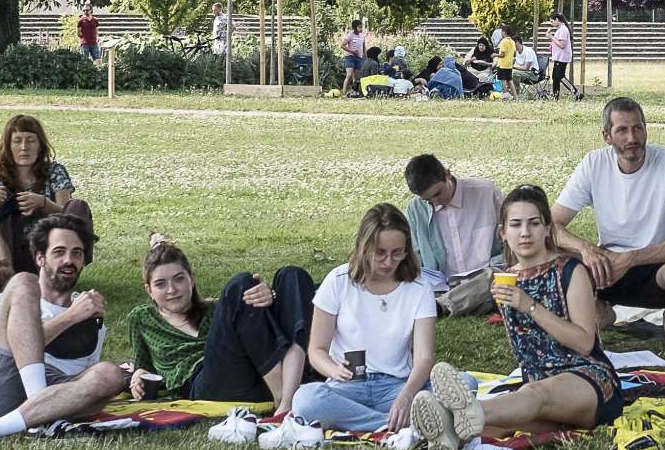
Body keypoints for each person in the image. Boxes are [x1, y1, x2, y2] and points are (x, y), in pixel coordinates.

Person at [410, 185, 627, 450]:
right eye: (516, 224)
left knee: (533, 395)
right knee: (502, 423)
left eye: (534, 223)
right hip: (536, 384)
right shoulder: (505, 279)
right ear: (503, 232)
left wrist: (529, 306)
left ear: (547, 229)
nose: (525, 232)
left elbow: (584, 343)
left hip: (588, 381)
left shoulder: (571, 271)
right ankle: (447, 432)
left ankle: (467, 410)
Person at [0, 213, 125, 449]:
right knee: (23, 281)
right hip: (1, 390)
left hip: (58, 394)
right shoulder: (5, 300)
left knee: (110, 374)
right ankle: (41, 414)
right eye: (59, 252)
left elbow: (85, 375)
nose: (69, 260)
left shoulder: (89, 310)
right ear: (40, 258)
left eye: (77, 253)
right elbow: (4, 346)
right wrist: (71, 317)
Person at [553, 97, 665, 355]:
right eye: (622, 130)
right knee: (549, 253)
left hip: (659, 269)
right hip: (608, 268)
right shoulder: (594, 163)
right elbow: (551, 225)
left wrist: (631, 258)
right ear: (607, 136)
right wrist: (585, 249)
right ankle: (598, 310)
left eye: (638, 128)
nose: (632, 138)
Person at [288, 205, 437, 433]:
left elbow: (424, 357)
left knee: (466, 383)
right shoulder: (338, 280)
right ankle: (393, 424)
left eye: (397, 253)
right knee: (305, 399)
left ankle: (385, 420)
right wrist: (334, 370)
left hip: (396, 386)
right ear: (364, 247)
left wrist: (407, 396)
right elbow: (317, 350)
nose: (388, 262)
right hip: (347, 388)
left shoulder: (419, 287)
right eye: (380, 253)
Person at [122, 235, 313, 409]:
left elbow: (258, 329)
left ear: (192, 279)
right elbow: (143, 365)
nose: (171, 290)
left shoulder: (215, 309)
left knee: (292, 275)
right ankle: (285, 400)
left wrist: (271, 296)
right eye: (160, 284)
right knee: (240, 284)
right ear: (149, 290)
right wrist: (138, 375)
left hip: (256, 376)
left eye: (179, 279)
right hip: (206, 384)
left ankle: (288, 394)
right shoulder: (142, 318)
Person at [0, 114, 92, 289]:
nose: (24, 147)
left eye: (31, 140)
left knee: (78, 206)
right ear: (8, 146)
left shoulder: (54, 171)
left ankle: (61, 267)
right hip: (11, 252)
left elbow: (67, 212)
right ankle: (4, 264)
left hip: (48, 252)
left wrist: (43, 203)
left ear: (40, 146)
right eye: (17, 141)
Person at [403, 153, 501, 314]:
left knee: (495, 275)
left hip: (485, 279)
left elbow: (510, 238)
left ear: (447, 175)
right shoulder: (416, 209)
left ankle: (441, 307)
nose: (435, 202)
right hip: (444, 286)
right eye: (427, 200)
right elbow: (416, 257)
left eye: (437, 193)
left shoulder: (486, 192)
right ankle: (469, 304)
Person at [549, 16, 581, 100]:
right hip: (559, 57)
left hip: (562, 57)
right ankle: (555, 96)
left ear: (557, 20)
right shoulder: (560, 29)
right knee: (555, 77)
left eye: (552, 21)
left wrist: (551, 37)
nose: (552, 24)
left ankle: (577, 94)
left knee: (561, 77)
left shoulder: (563, 29)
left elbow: (562, 45)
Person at [337, 17, 366, 98]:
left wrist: (365, 56)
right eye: (359, 27)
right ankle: (343, 93)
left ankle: (355, 92)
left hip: (359, 58)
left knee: (356, 77)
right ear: (355, 27)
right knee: (349, 75)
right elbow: (342, 46)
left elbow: (364, 47)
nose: (361, 29)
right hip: (350, 57)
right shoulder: (350, 35)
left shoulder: (362, 36)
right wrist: (352, 51)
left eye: (361, 27)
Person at [493, 26, 517, 93]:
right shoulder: (512, 41)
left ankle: (506, 95)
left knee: (503, 81)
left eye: (501, 31)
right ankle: (515, 96)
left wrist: (495, 55)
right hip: (509, 65)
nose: (501, 33)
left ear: (504, 32)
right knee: (510, 81)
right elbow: (514, 54)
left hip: (502, 65)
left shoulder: (503, 41)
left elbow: (502, 55)